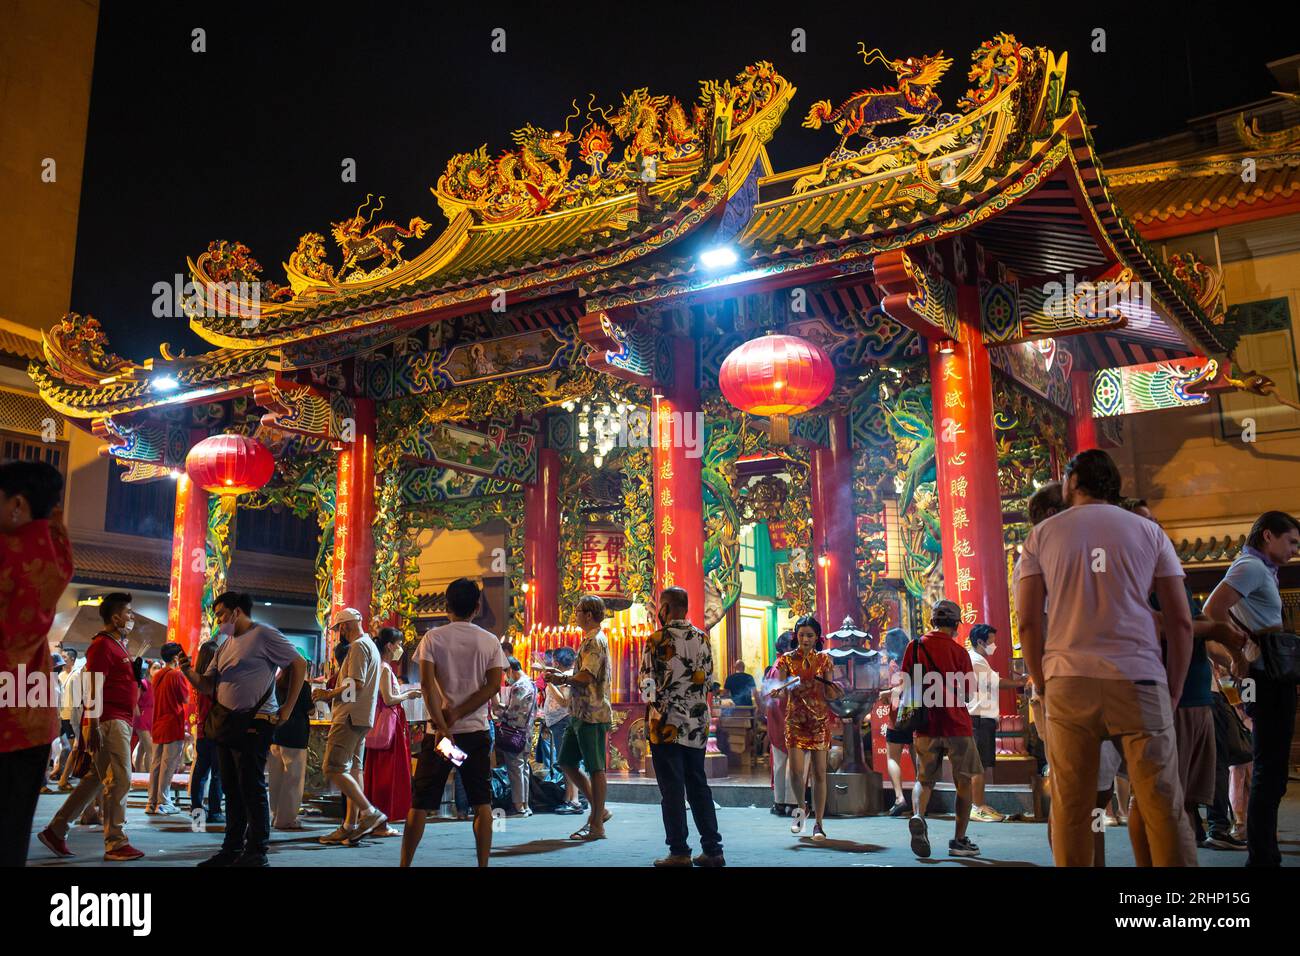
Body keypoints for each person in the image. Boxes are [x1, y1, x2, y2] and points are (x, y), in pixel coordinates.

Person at [1015, 449, 1197, 867]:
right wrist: (1172, 690)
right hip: (1140, 680)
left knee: (1073, 808)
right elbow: (1180, 621)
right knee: (1163, 806)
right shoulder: (1150, 532)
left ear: (1073, 483)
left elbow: (1028, 623)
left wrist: (1042, 683)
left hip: (1067, 681)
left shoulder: (1042, 535)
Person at [176, 591, 306, 867]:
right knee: (231, 789)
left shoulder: (263, 634)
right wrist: (188, 671)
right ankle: (232, 848)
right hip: (226, 724)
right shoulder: (225, 644)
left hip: (255, 722)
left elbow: (298, 663)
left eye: (222, 614)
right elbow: (209, 685)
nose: (219, 620)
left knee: (251, 786)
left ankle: (257, 851)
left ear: (237, 612)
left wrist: (288, 707)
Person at [1202, 509, 1300, 867]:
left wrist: (1238, 651)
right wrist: (1235, 652)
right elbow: (1212, 610)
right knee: (1268, 768)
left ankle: (1263, 854)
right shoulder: (1252, 567)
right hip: (1266, 677)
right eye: (1291, 541)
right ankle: (1262, 857)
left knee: (1268, 767)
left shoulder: (1260, 569)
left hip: (1266, 675)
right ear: (1268, 536)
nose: (1294, 550)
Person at [0, 460, 74, 866]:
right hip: (32, 720)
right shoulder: (56, 556)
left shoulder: (5, 552)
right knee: (12, 835)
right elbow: (54, 523)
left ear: (16, 505)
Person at [401, 577, 501, 867]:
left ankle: (405, 863)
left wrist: (444, 724)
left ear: (447, 606)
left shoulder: (433, 638)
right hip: (476, 731)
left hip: (442, 738)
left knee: (420, 803)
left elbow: (428, 686)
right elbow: (492, 687)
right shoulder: (489, 640)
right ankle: (483, 864)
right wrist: (459, 715)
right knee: (482, 803)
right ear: (477, 607)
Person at [39, 592, 144, 862]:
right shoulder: (101, 646)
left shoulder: (118, 645)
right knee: (120, 780)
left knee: (94, 780)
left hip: (117, 719)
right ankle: (115, 842)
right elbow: (94, 687)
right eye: (129, 613)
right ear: (116, 616)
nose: (132, 617)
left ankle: (56, 830)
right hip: (109, 719)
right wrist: (93, 724)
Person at [640, 586, 725, 866]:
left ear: (666, 608)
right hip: (697, 725)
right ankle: (713, 850)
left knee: (672, 790)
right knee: (698, 785)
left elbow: (647, 688)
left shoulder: (656, 639)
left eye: (659, 608)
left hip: (666, 725)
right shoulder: (702, 638)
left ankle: (679, 851)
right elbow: (709, 680)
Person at [904, 599, 983, 859]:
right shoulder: (960, 653)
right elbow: (969, 693)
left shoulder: (914, 647)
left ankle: (918, 816)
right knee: (964, 782)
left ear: (932, 621)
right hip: (956, 725)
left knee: (923, 780)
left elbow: (907, 684)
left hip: (924, 725)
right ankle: (959, 841)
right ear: (956, 625)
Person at [313, 607, 385, 845]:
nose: (340, 632)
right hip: (363, 716)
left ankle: (369, 813)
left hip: (349, 715)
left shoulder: (357, 647)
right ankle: (350, 825)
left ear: (345, 626)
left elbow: (356, 683)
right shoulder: (371, 645)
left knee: (333, 767)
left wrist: (328, 693)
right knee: (355, 770)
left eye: (340, 627)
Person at [550, 594, 614, 842]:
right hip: (578, 712)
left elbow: (587, 676)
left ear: (589, 614)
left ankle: (597, 823)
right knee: (566, 761)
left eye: (577, 610)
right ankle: (600, 809)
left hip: (592, 713)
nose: (574, 614)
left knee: (596, 768)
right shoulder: (588, 640)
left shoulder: (595, 641)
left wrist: (562, 678)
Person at [777, 615, 842, 842]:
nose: (805, 639)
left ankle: (819, 824)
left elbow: (830, 692)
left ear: (817, 638)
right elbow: (781, 692)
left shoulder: (824, 661)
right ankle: (801, 808)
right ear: (796, 636)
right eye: (802, 635)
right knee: (795, 771)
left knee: (819, 774)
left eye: (810, 635)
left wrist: (835, 690)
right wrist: (779, 690)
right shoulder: (785, 661)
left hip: (819, 721)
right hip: (795, 720)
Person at [363, 627, 420, 835]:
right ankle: (381, 822)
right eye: (399, 644)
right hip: (389, 725)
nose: (400, 648)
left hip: (390, 723)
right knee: (386, 773)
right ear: (389, 645)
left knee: (382, 772)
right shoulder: (384, 668)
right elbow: (388, 699)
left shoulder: (382, 666)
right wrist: (408, 695)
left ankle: (378, 820)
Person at [966, 624, 1021, 822]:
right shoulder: (977, 661)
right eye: (991, 641)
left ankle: (978, 804)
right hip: (979, 718)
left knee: (980, 764)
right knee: (979, 765)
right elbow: (998, 683)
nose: (994, 645)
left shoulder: (977, 660)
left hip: (982, 717)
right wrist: (1024, 682)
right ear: (980, 642)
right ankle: (977, 806)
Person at [268, 654, 314, 830]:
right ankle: (286, 819)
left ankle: (275, 815)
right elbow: (309, 710)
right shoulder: (303, 686)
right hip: (295, 735)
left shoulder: (276, 683)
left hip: (277, 734)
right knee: (293, 780)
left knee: (276, 778)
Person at [881, 627, 921, 818]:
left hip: (897, 717)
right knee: (917, 757)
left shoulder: (893, 664)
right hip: (917, 715)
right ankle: (920, 799)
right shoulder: (917, 660)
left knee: (892, 757)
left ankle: (899, 798)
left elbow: (895, 689)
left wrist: (886, 694)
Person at [146, 642, 190, 814]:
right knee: (168, 765)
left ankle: (151, 803)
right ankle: (163, 802)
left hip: (158, 723)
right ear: (175, 658)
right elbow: (185, 699)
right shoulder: (176, 675)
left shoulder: (157, 675)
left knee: (156, 764)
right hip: (172, 724)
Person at [538, 647, 583, 813]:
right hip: (559, 721)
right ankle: (568, 797)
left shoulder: (569, 676)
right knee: (564, 762)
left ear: (559, 661)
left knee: (568, 761)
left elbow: (564, 700)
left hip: (563, 720)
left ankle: (575, 800)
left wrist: (550, 682)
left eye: (555, 659)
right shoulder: (564, 675)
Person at [187, 632, 224, 824]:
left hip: (201, 731)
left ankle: (197, 812)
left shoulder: (197, 680)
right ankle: (215, 811)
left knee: (200, 774)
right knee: (217, 773)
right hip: (216, 732)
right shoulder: (214, 683)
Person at [495, 656, 537, 816]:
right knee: (523, 768)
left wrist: (498, 711)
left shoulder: (519, 686)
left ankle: (519, 806)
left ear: (510, 669)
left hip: (514, 733)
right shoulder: (531, 683)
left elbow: (513, 713)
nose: (506, 678)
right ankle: (525, 805)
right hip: (526, 733)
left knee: (515, 769)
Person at [760, 632, 795, 816]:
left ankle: (779, 801)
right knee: (793, 760)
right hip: (786, 716)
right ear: (786, 647)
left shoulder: (776, 665)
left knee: (780, 761)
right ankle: (792, 802)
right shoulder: (786, 664)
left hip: (776, 717)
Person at [52, 648, 81, 788]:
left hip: (70, 715)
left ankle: (60, 772)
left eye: (65, 657)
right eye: (62, 657)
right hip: (62, 715)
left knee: (70, 747)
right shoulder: (60, 675)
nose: (63, 661)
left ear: (73, 659)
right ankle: (61, 775)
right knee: (71, 747)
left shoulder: (77, 673)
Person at [132, 661, 156, 774]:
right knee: (149, 748)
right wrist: (137, 716)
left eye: (159, 668)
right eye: (155, 667)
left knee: (142, 749)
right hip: (142, 718)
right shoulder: (143, 683)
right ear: (149, 670)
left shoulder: (155, 685)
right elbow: (134, 700)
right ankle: (148, 777)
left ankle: (138, 774)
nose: (157, 670)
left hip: (151, 719)